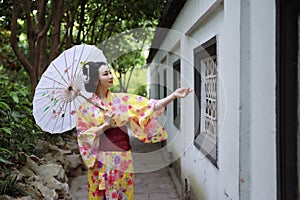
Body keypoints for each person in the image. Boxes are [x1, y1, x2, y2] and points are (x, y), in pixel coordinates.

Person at [76, 61, 192, 200]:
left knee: (124, 194)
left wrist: (173, 95)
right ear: (96, 79)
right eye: (106, 74)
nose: (111, 76)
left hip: (123, 158)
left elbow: (148, 106)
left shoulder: (121, 100)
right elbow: (83, 136)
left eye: (110, 72)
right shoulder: (85, 107)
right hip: (101, 160)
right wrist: (105, 125)